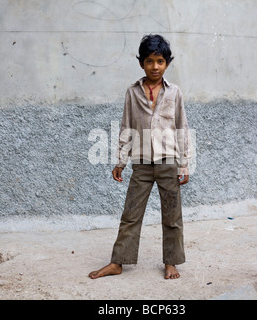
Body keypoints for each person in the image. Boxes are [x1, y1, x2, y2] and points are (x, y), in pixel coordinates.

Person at [89, 34, 191, 280]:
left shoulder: (174, 92)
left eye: (160, 61)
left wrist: (184, 164)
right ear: (141, 63)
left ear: (167, 63)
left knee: (172, 216)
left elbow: (182, 128)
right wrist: (120, 160)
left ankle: (171, 263)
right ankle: (118, 262)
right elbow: (127, 127)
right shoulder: (133, 92)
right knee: (130, 214)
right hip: (142, 164)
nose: (154, 66)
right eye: (149, 61)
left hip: (168, 163)